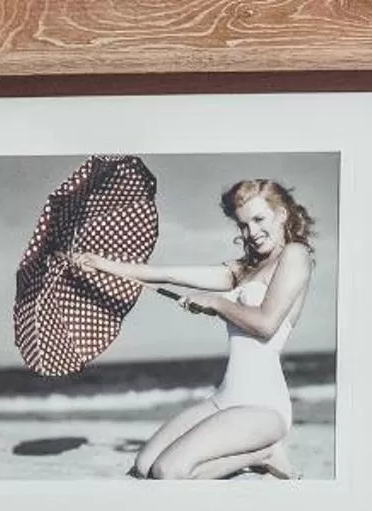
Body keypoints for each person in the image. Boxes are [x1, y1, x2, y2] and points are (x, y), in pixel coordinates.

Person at [70, 178, 317, 481]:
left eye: (259, 219)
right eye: (243, 225)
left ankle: (264, 453)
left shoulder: (295, 254)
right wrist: (100, 264)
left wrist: (216, 302)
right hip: (226, 397)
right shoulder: (242, 270)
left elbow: (266, 325)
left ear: (281, 214)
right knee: (145, 465)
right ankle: (256, 454)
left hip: (264, 407)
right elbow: (165, 275)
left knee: (168, 470)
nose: (251, 232)